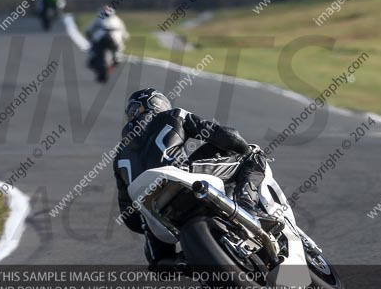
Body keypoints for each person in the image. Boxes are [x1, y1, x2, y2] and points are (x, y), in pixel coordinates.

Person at [112, 88, 279, 271]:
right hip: (178, 174)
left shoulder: (119, 156)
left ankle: (183, 263)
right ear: (158, 104)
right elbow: (223, 135)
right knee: (253, 157)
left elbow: (130, 218)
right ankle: (249, 208)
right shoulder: (173, 115)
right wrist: (242, 147)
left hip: (151, 207)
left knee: (159, 260)